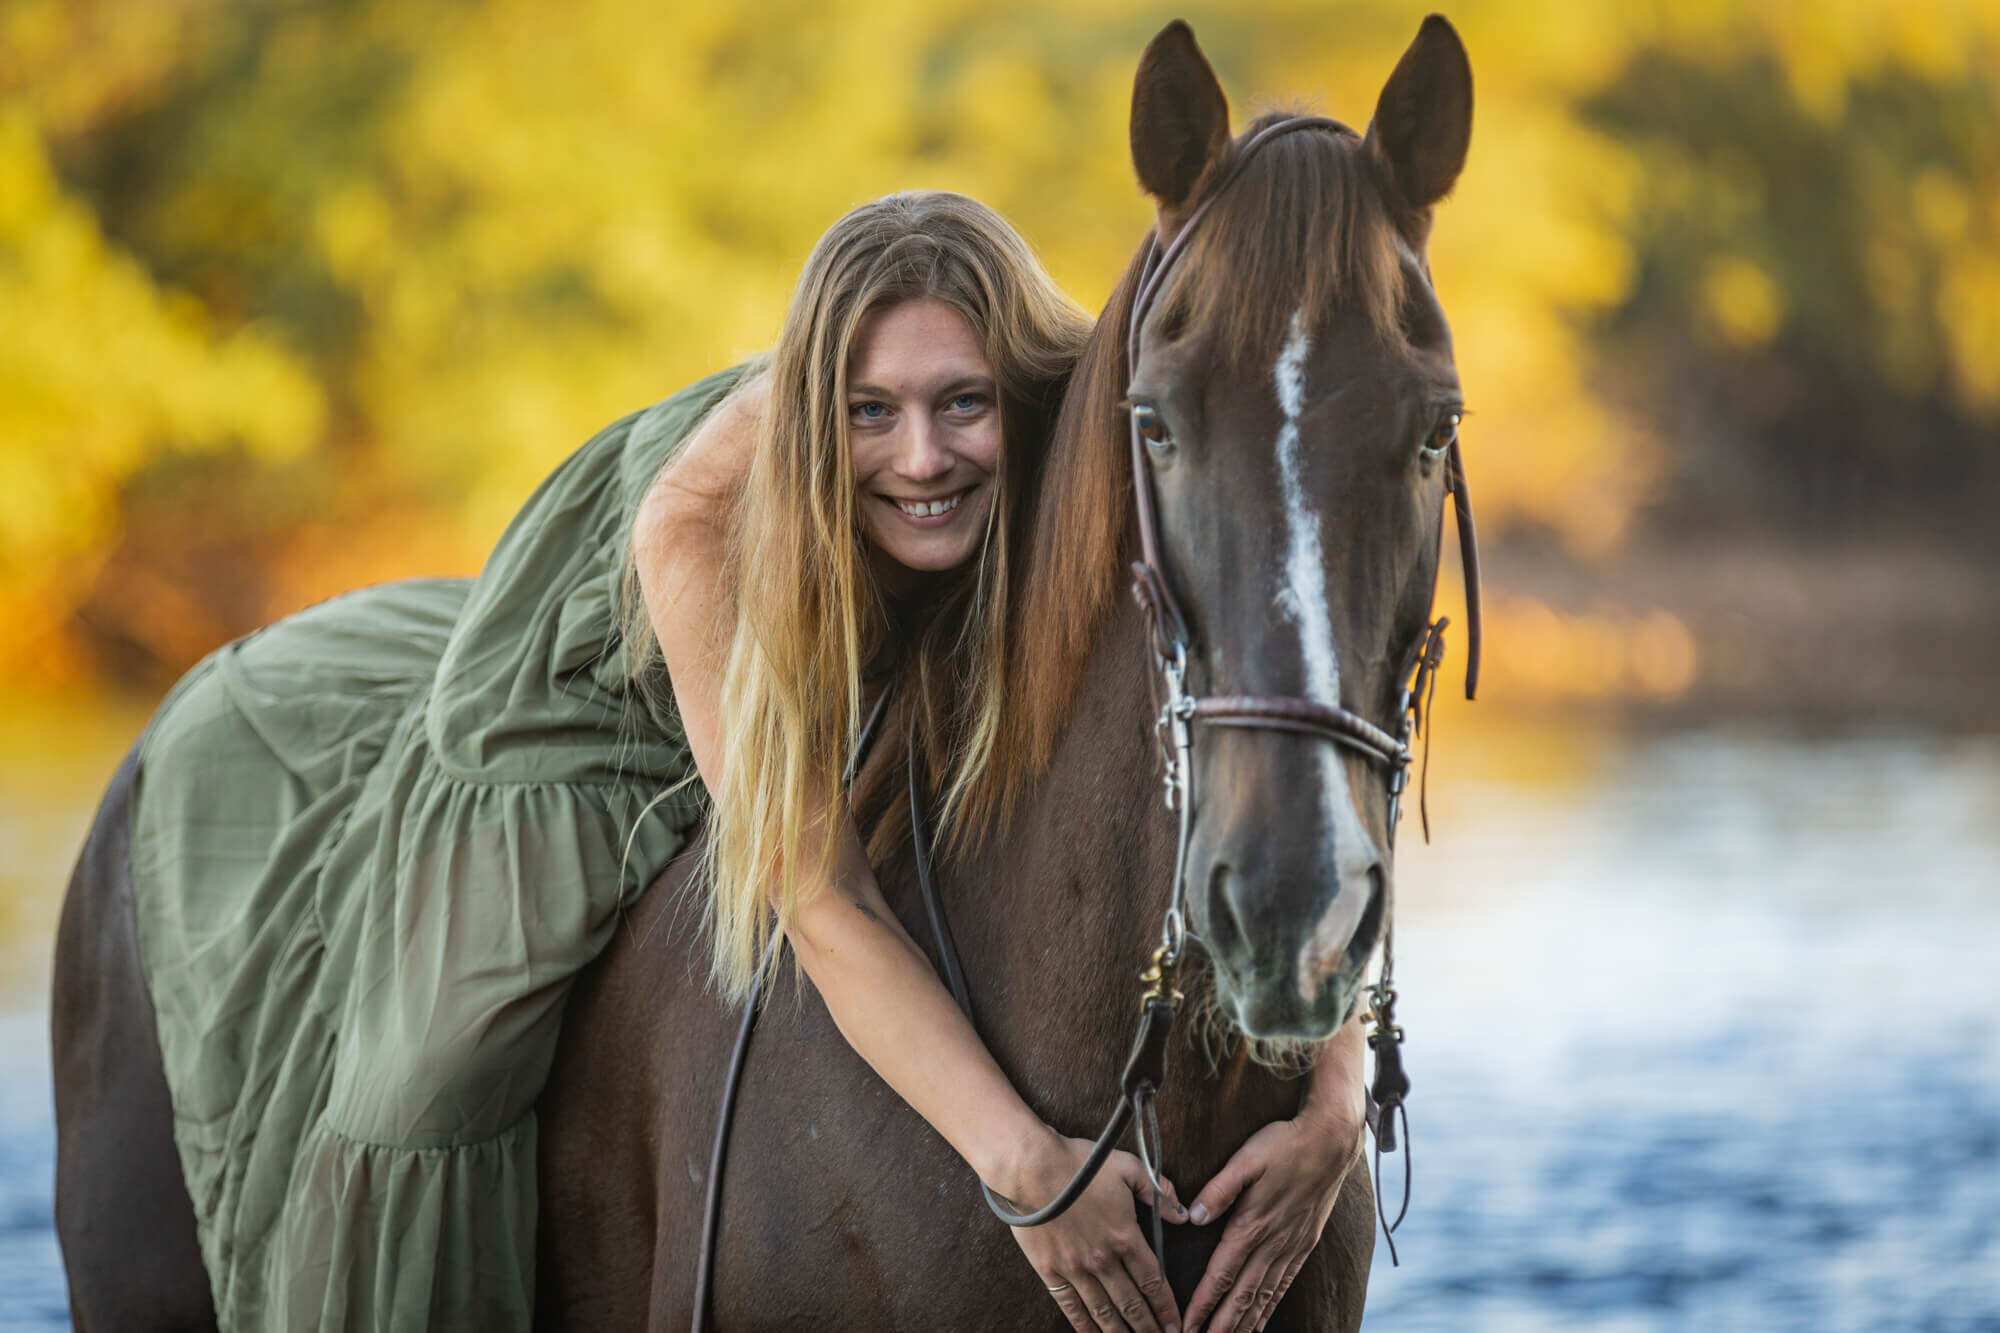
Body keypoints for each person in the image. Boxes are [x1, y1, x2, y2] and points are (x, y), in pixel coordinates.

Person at [130, 190, 1366, 1333]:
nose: (924, 457)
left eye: (962, 404)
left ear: (1019, 389)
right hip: (601, 690)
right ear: (820, 409)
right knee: (432, 1079)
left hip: (848, 633)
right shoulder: (698, 523)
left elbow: (1285, 736)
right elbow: (814, 897)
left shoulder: (1102, 409)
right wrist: (1027, 1167)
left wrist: (1336, 1090)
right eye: (870, 411)